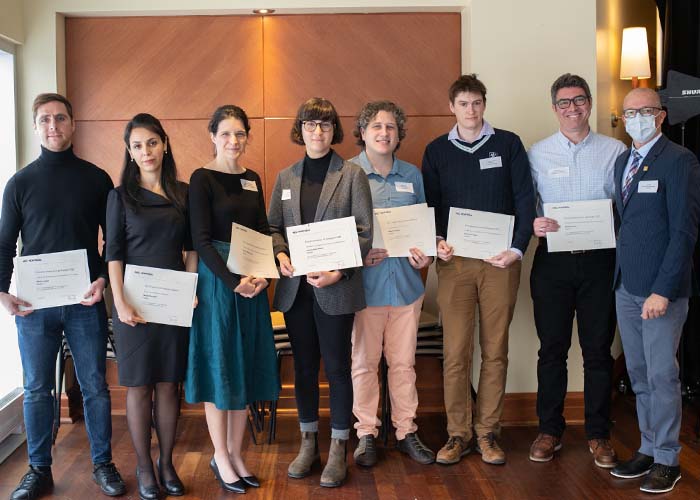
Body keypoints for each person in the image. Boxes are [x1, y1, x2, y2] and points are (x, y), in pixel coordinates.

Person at [0, 93, 125, 500]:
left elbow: (114, 243)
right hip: (33, 306)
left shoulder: (97, 178)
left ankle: (103, 464)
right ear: (36, 127)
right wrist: (2, 292)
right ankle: (38, 470)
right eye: (45, 120)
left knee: (94, 386)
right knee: (36, 388)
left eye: (61, 119)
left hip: (84, 301)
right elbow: (4, 243)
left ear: (73, 125)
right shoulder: (19, 183)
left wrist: (104, 280)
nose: (53, 126)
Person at [422, 74, 535, 465]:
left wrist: (517, 248)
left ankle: (488, 433)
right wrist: (437, 240)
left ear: (484, 105)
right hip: (455, 264)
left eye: (477, 103)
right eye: (463, 103)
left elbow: (526, 201)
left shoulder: (508, 144)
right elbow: (430, 207)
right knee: (455, 352)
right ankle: (458, 435)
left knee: (495, 350)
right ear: (452, 107)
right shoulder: (436, 151)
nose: (471, 110)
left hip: (499, 263)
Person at [268, 97, 372, 487]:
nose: (317, 132)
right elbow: (273, 227)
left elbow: (364, 233)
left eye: (325, 125)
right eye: (310, 125)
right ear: (300, 130)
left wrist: (338, 271)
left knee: (338, 369)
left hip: (335, 289)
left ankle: (337, 449)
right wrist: (279, 253)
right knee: (306, 369)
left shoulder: (350, 175)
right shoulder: (286, 177)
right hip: (297, 292)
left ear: (334, 131)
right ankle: (308, 443)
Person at [527, 74, 626, 468]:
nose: (573, 108)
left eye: (579, 100)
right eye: (564, 102)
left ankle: (599, 435)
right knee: (552, 350)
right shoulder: (537, 153)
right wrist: (533, 223)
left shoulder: (615, 151)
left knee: (598, 351)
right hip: (553, 262)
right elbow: (527, 205)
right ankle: (549, 430)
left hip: (601, 262)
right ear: (554, 108)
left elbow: (626, 206)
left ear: (589, 103)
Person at [185, 105, 279, 494]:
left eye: (240, 134)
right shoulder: (201, 179)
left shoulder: (253, 178)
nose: (234, 141)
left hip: (252, 283)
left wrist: (261, 277)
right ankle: (220, 455)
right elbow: (201, 240)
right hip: (218, 284)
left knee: (246, 366)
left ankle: (237, 454)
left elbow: (261, 231)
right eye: (226, 133)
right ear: (212, 135)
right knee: (219, 366)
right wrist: (232, 281)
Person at [610, 88, 700, 494]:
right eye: (630, 113)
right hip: (626, 287)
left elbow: (683, 232)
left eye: (645, 111)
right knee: (640, 373)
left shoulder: (680, 161)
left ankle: (667, 459)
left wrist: (662, 290)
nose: (637, 118)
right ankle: (648, 446)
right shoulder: (621, 162)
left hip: (661, 292)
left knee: (662, 374)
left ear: (661, 116)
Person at [106, 113, 197, 499]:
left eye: (152, 143)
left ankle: (166, 463)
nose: (146, 151)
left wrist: (190, 288)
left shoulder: (184, 192)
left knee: (168, 385)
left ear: (165, 144)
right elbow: (113, 254)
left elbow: (191, 248)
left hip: (174, 300)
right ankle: (144, 467)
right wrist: (121, 303)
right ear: (129, 152)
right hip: (135, 306)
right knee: (140, 386)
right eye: (137, 145)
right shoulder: (119, 196)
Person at [348, 101, 434, 467]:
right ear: (363, 132)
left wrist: (425, 257)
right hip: (364, 288)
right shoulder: (348, 173)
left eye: (391, 128)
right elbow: (335, 234)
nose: (384, 133)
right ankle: (366, 433)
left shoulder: (411, 175)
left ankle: (406, 432)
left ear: (399, 135)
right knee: (364, 364)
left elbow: (424, 230)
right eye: (377, 127)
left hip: (406, 286)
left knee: (403, 364)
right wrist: (358, 254)